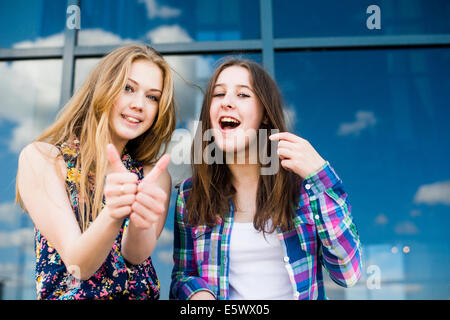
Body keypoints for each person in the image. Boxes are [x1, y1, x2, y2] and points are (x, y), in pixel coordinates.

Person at [170, 58, 362, 300]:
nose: (227, 102)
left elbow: (348, 273)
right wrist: (198, 294)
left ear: (265, 116)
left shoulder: (304, 188)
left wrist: (320, 177)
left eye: (242, 95)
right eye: (218, 94)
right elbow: (182, 275)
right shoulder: (190, 195)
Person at [15, 44, 176, 300]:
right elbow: (79, 264)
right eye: (128, 88)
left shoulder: (153, 175)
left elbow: (135, 256)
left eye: (152, 97)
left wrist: (140, 221)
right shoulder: (42, 159)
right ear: (103, 87)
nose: (139, 104)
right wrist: (114, 213)